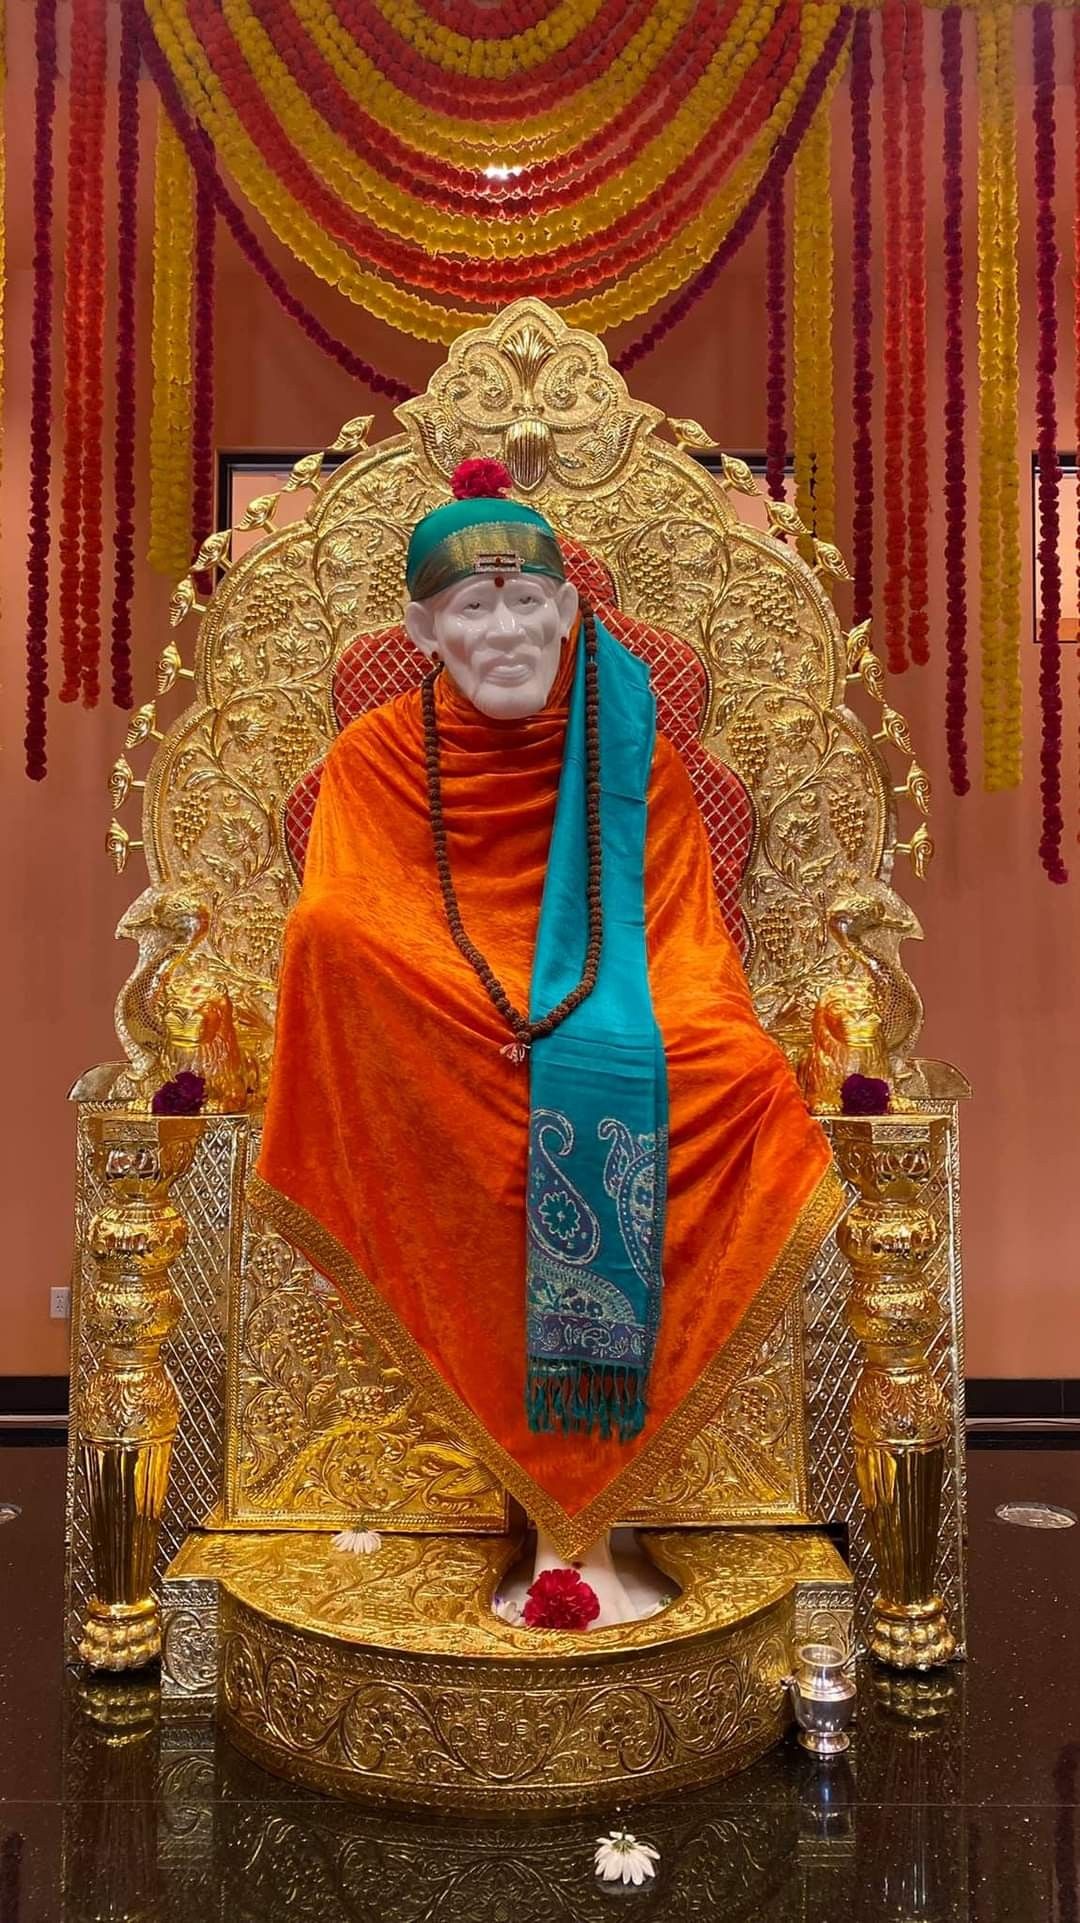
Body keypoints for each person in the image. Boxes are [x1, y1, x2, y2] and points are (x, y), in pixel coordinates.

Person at [253, 459, 841, 1622]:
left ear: (570, 611)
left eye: (528, 602)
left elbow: (679, 929)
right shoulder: (375, 758)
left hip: (620, 1001)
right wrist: (481, 1018)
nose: (507, 631)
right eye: (473, 608)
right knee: (329, 938)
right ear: (424, 631)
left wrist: (610, 1026)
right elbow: (349, 919)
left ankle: (595, 1517)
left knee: (738, 1074)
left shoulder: (632, 754)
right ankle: (539, 1517)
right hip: (443, 1026)